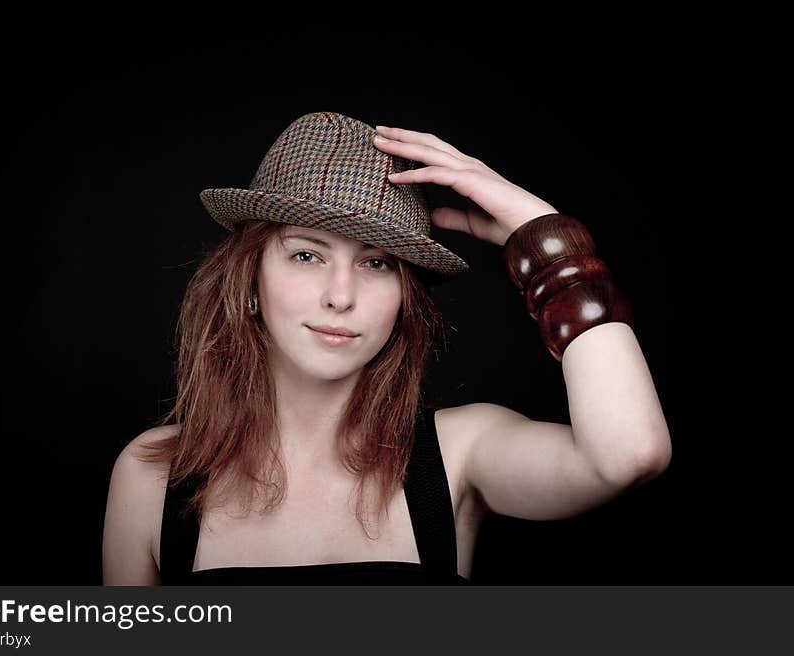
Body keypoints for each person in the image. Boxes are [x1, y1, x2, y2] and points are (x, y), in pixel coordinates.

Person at [102, 111, 672, 585]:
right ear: (248, 283)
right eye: (307, 255)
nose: (340, 296)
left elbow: (628, 456)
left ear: (405, 297)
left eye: (376, 263)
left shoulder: (460, 454)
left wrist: (548, 241)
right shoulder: (153, 474)